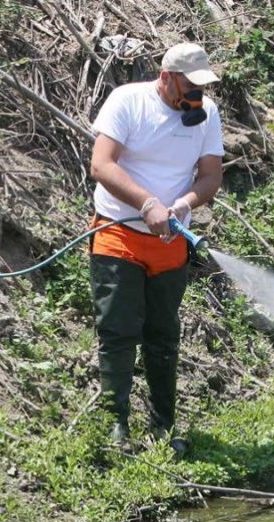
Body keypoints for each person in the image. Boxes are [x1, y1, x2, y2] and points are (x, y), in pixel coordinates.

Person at [88, 42, 224, 449]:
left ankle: (164, 426)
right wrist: (146, 203)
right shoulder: (128, 101)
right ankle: (116, 426)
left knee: (163, 334)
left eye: (203, 86)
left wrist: (182, 204)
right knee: (118, 328)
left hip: (169, 243)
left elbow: (210, 176)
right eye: (190, 85)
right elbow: (102, 164)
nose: (197, 96)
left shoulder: (207, 116)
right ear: (166, 77)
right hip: (118, 232)